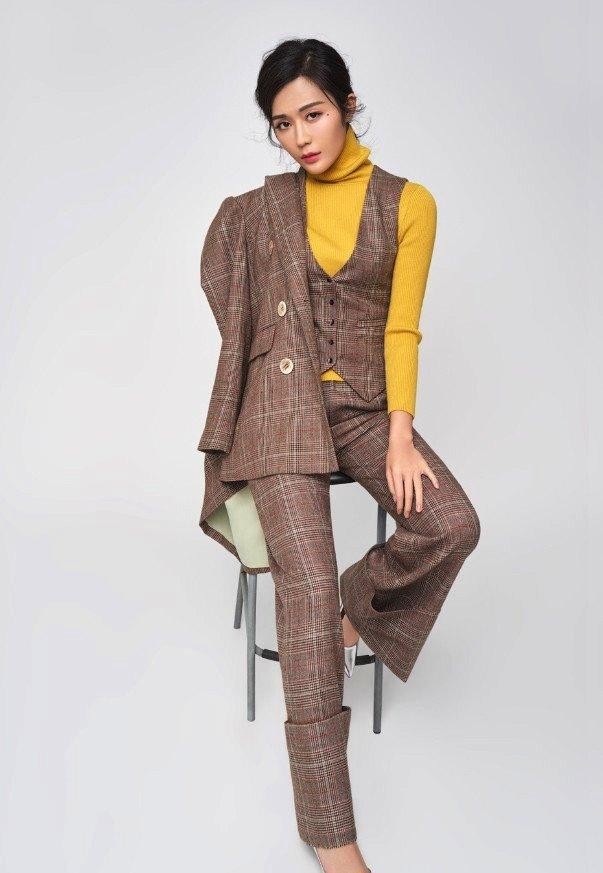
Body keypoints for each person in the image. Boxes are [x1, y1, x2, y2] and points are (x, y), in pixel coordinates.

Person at [199, 38, 481, 873]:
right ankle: (330, 833)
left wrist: (398, 431)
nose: (298, 138)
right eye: (281, 124)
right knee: (305, 587)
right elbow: (220, 278)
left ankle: (353, 612)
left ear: (348, 104)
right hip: (280, 412)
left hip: (361, 408)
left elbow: (402, 326)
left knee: (452, 523)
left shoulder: (408, 202)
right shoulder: (259, 209)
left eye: (312, 115)